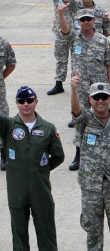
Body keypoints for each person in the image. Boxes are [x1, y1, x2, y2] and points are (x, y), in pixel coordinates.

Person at [70, 73, 110, 251]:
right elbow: (76, 109)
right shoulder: (85, 121)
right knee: (93, 234)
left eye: (104, 97)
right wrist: (74, 88)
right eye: (96, 97)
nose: (100, 101)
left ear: (109, 98)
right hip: (91, 188)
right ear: (90, 99)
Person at [1, 86, 64, 250]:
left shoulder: (48, 128)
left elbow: (59, 156)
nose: (26, 104)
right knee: (19, 236)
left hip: (40, 190)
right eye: (21, 101)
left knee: (46, 234)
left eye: (29, 100)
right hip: (17, 190)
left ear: (36, 101)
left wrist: (41, 170)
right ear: (16, 103)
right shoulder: (8, 125)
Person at [58, 3, 110, 170]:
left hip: (100, 89)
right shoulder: (73, 38)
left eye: (88, 19)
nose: (85, 22)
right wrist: (61, 14)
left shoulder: (102, 41)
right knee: (79, 120)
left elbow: (109, 64)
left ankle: (107, 153)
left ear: (94, 20)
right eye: (82, 20)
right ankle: (79, 154)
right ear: (78, 22)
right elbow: (64, 29)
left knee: (105, 119)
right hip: (81, 89)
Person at [43, 0, 77, 96]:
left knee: (77, 58)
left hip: (75, 33)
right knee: (60, 58)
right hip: (60, 33)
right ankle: (59, 84)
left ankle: (77, 83)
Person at [0, 32, 17, 171]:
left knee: (2, 119)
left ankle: (3, 153)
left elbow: (11, 64)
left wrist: (0, 78)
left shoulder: (3, 43)